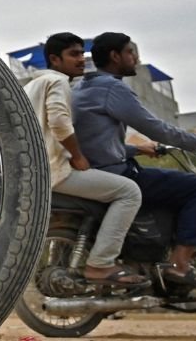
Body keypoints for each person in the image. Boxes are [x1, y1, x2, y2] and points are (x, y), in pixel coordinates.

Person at [73, 32, 196, 287]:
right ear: (115, 56)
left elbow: (95, 144)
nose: (135, 58)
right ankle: (179, 266)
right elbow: (159, 129)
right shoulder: (112, 88)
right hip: (114, 174)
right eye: (130, 52)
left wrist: (136, 150)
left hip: (94, 170)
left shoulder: (82, 87)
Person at [24, 33, 145, 287]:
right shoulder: (58, 82)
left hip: (32, 172)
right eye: (73, 54)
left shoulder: (32, 86)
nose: (81, 59)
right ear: (55, 59)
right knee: (129, 192)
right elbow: (59, 122)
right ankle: (101, 264)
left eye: (82, 53)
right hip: (53, 172)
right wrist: (78, 156)